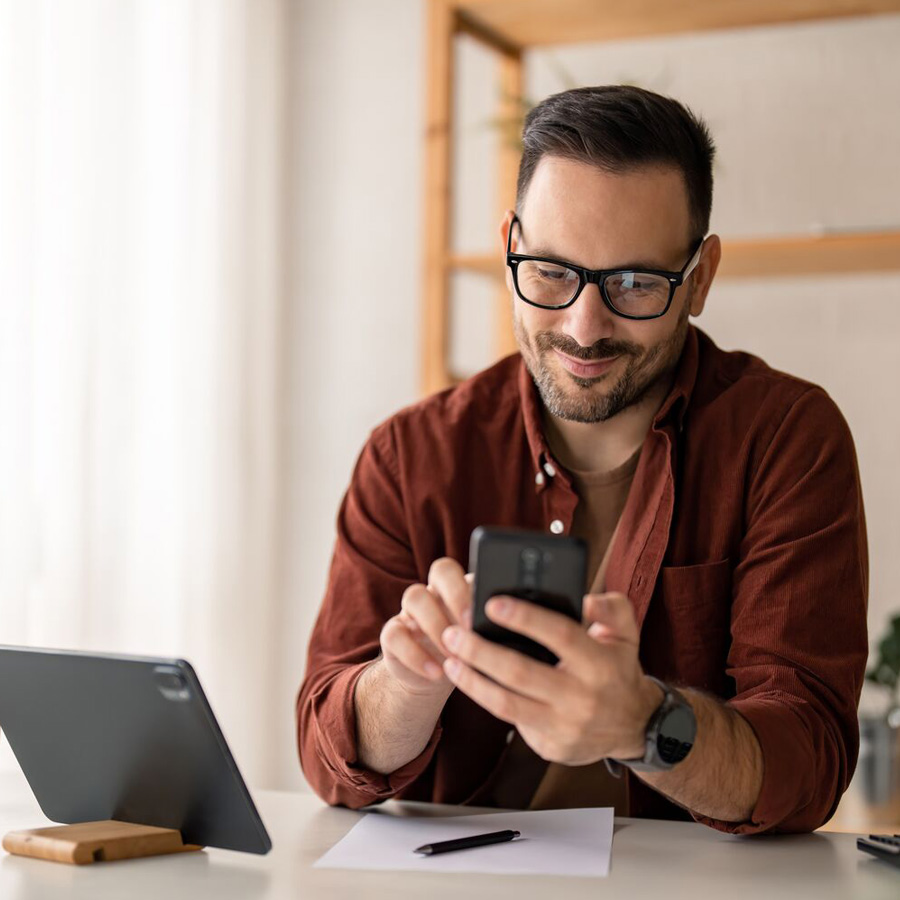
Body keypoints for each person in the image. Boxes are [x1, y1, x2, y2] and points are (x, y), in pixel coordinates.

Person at [296, 85, 868, 834]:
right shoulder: (409, 457)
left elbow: (810, 758)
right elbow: (326, 755)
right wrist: (402, 687)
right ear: (510, 245)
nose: (583, 327)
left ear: (699, 278)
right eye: (551, 271)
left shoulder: (786, 441)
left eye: (634, 283)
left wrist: (646, 724)